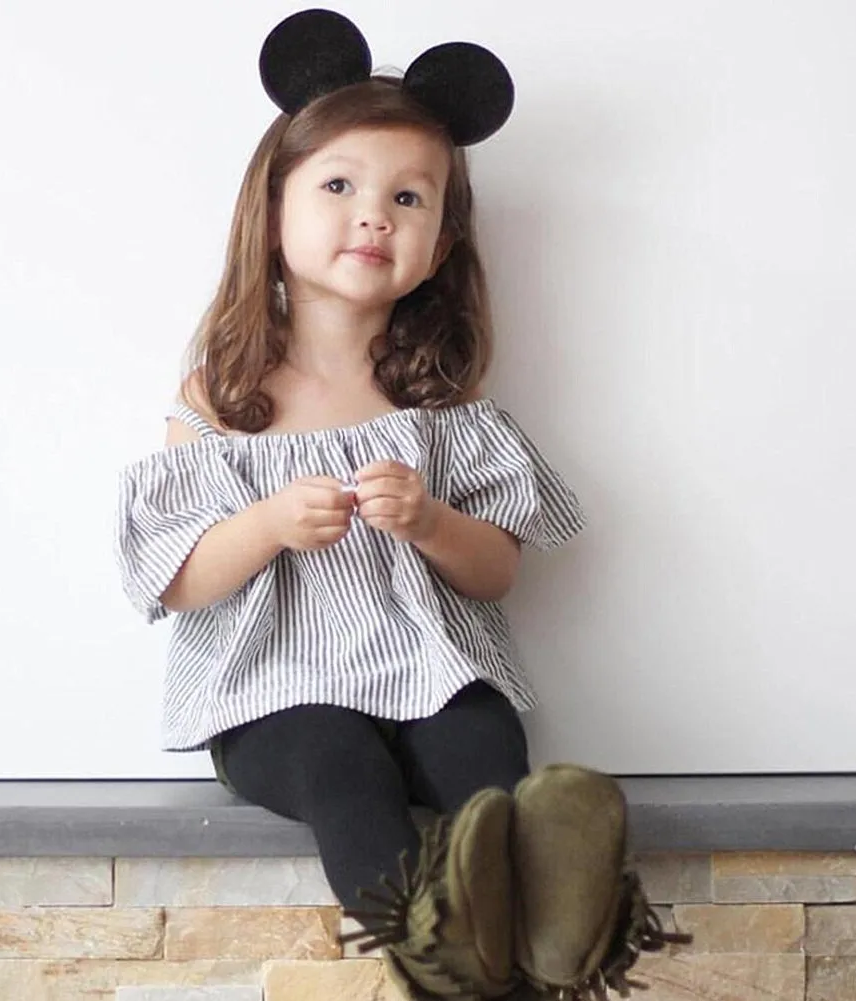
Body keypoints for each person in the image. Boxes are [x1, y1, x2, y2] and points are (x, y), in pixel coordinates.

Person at [115, 10, 686, 1000]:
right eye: (338, 186)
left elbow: (495, 570)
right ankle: (437, 959)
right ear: (273, 206)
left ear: (438, 243)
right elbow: (176, 578)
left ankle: (560, 912)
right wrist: (266, 525)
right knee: (340, 766)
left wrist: (429, 521)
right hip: (270, 693)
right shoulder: (224, 396)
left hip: (428, 669)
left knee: (483, 745)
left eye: (407, 197)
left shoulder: (439, 403)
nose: (373, 215)